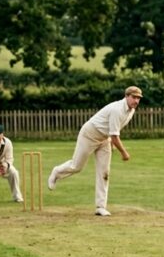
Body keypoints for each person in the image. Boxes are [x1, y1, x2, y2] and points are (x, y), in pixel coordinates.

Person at [48, 86, 142, 216]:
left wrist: (111, 142)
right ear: (126, 96)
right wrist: (123, 152)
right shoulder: (117, 109)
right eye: (134, 97)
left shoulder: (131, 111)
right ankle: (57, 171)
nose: (136, 101)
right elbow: (115, 136)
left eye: (138, 98)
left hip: (104, 139)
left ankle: (100, 207)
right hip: (90, 134)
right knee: (77, 166)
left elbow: (113, 132)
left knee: (104, 172)